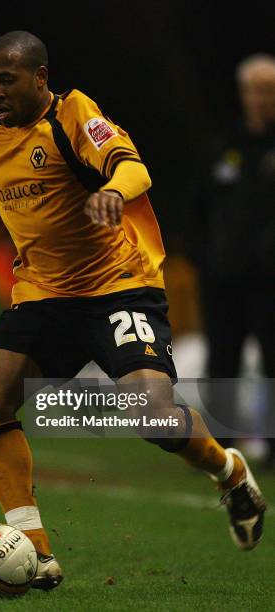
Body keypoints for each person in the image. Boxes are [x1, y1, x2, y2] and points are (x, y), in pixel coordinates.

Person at [0, 32, 266, 590]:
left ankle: (229, 472)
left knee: (151, 414)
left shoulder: (73, 115)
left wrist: (112, 191)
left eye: (6, 79)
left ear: (39, 77)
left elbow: (133, 168)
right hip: (44, 296)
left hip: (117, 287)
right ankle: (36, 551)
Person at [195, 54, 275, 465]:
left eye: (267, 89)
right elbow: (200, 208)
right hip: (223, 278)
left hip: (269, 283)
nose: (259, 98)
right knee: (221, 360)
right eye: (253, 89)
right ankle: (218, 450)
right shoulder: (223, 146)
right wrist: (203, 258)